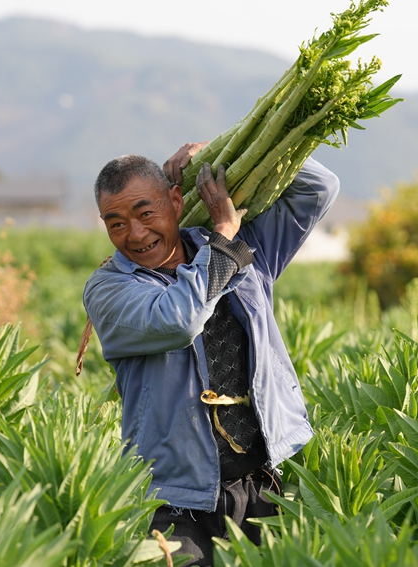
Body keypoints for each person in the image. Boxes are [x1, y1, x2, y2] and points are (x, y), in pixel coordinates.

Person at [83, 142, 340, 566]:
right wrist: (223, 238)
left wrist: (224, 147)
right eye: (116, 223)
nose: (135, 234)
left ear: (176, 200)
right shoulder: (109, 290)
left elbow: (318, 188)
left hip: (261, 485)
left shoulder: (248, 251)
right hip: (174, 502)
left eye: (146, 214)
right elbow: (179, 320)